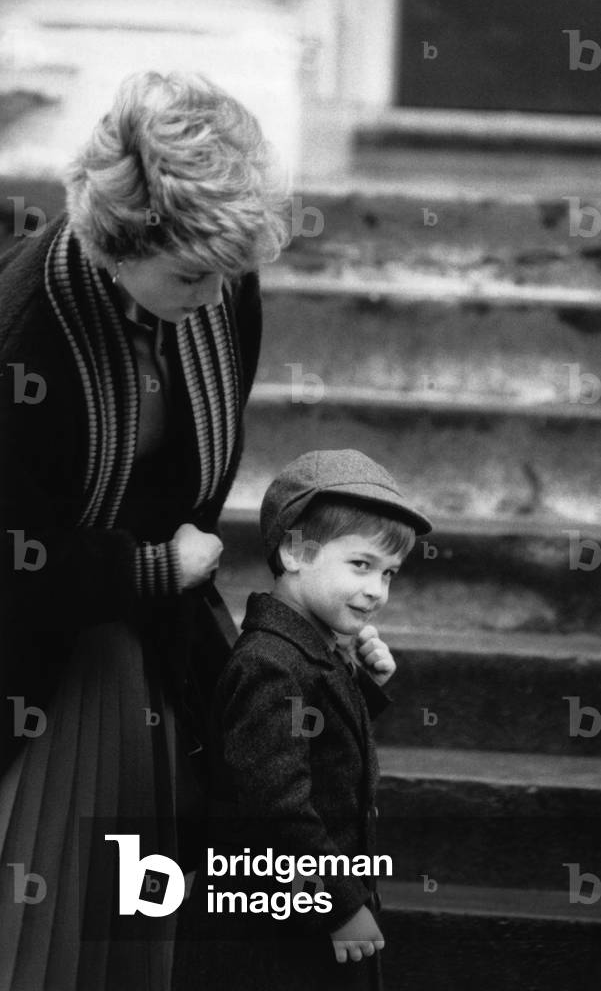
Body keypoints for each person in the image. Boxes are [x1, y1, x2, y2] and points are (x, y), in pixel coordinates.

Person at [0, 70, 288, 991]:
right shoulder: (25, 334)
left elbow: (195, 467)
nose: (215, 297)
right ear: (118, 243)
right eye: (193, 275)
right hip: (41, 652)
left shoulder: (219, 285)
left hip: (148, 635)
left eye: (229, 274)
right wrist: (152, 569)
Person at [173, 448, 432, 991]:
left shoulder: (308, 651)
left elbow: (318, 746)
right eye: (361, 564)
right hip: (275, 934)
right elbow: (274, 806)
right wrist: (338, 906)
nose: (376, 590)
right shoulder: (270, 663)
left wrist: (362, 686)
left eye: (389, 574)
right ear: (294, 550)